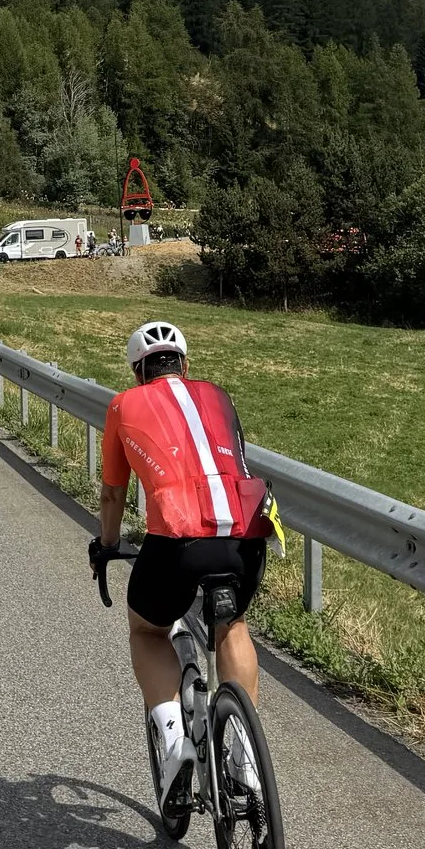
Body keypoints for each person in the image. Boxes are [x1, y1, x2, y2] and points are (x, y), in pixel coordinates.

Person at [90, 321, 275, 819]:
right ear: (185, 365)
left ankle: (174, 742)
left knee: (147, 631)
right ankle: (243, 752)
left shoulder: (124, 405)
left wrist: (107, 545)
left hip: (177, 543)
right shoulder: (219, 396)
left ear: (137, 372)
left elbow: (112, 493)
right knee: (231, 625)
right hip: (245, 537)